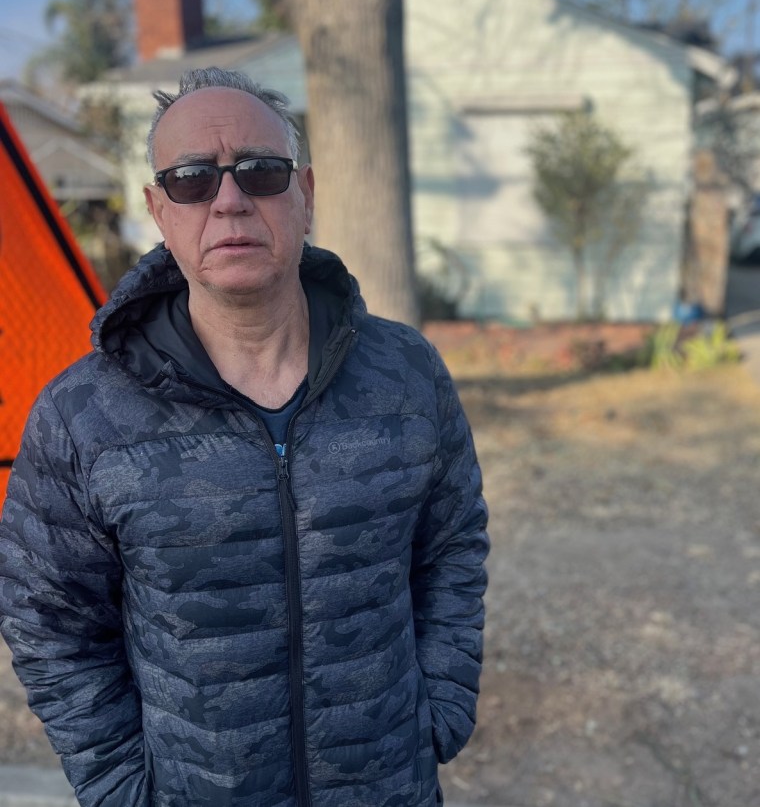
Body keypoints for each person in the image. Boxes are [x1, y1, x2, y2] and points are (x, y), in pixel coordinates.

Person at [0, 67, 488, 806]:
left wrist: (441, 705)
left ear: (306, 195)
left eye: (260, 171)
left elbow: (453, 543)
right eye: (193, 179)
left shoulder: (408, 374)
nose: (229, 200)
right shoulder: (82, 415)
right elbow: (49, 619)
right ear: (158, 210)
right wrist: (122, 785)